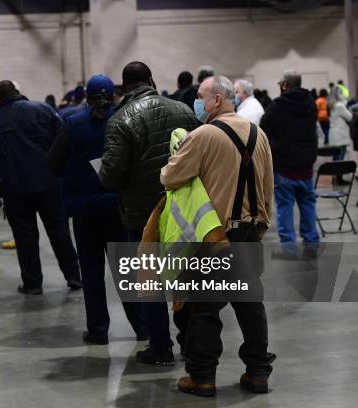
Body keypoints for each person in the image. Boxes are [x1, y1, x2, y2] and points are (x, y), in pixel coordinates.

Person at [161, 75, 275, 397]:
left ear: (216, 101)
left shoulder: (203, 135)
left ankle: (203, 377)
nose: (197, 102)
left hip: (215, 240)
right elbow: (267, 188)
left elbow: (171, 177)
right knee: (251, 307)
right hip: (250, 233)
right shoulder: (259, 134)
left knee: (203, 310)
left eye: (200, 96)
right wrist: (259, 227)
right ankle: (257, 374)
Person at [99, 61, 199, 365]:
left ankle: (161, 347)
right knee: (185, 277)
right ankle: (192, 340)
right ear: (151, 80)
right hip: (184, 208)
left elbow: (109, 177)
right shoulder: (185, 111)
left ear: (124, 86)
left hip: (144, 216)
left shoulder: (119, 121)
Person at [50, 74, 148, 345]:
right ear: (113, 94)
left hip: (85, 211)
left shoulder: (72, 123)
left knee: (91, 274)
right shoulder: (126, 119)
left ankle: (98, 330)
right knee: (128, 270)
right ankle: (142, 328)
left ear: (87, 96)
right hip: (119, 208)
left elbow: (55, 163)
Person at [0, 80, 82, 295]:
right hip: (49, 183)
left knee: (25, 238)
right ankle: (73, 276)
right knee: (59, 231)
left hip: (15, 189)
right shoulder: (43, 110)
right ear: (18, 91)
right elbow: (63, 139)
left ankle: (33, 284)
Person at [260, 69, 319, 254]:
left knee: (284, 207)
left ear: (285, 85)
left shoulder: (278, 105)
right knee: (308, 204)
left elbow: (264, 127)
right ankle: (311, 244)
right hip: (307, 166)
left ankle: (289, 248)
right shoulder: (311, 103)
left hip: (284, 167)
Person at [328, 86, 353, 167]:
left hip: (334, 133)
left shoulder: (330, 105)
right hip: (340, 134)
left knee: (335, 157)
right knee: (340, 157)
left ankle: (336, 177)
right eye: (341, 93)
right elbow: (349, 117)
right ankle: (338, 177)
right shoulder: (340, 105)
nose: (342, 95)